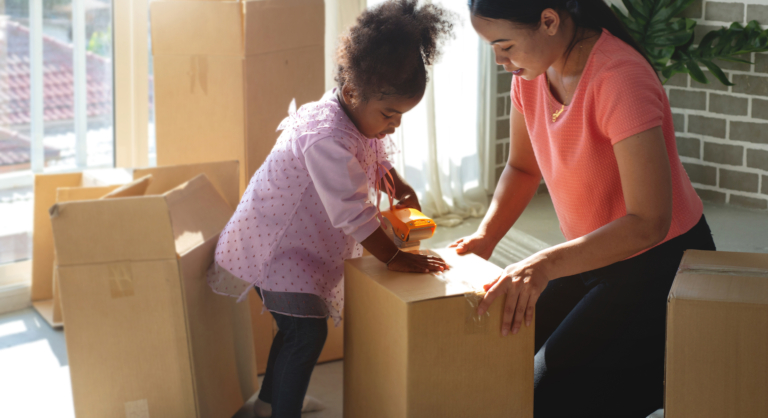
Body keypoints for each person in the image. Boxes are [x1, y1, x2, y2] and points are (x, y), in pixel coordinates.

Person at [455, 0, 716, 416]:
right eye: (492, 48)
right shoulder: (530, 75)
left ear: (549, 20)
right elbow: (523, 168)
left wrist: (542, 264)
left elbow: (650, 222)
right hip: (592, 256)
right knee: (493, 351)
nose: (501, 61)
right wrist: (485, 237)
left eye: (504, 45)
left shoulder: (619, 78)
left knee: (546, 396)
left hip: (661, 265)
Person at [208, 1, 454, 416]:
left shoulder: (353, 113)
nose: (394, 125)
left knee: (294, 331)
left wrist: (398, 185)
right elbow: (353, 212)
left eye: (401, 115)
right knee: (306, 335)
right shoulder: (325, 137)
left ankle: (266, 403)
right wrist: (393, 256)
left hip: (298, 247)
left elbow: (372, 156)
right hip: (276, 247)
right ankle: (278, 410)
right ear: (354, 91)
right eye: (390, 113)